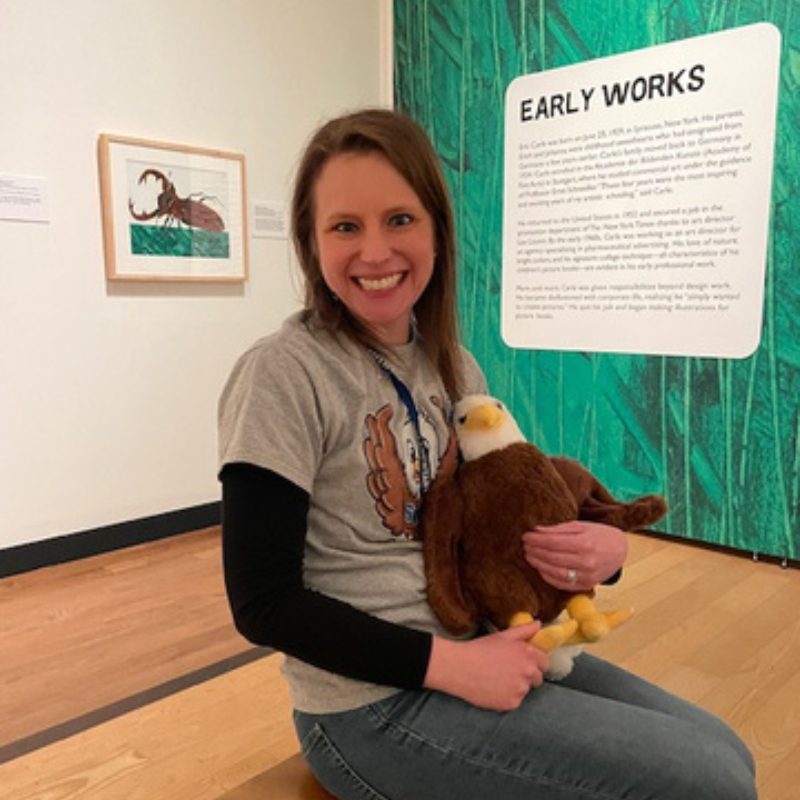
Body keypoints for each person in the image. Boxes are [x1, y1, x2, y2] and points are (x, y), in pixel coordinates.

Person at [218, 108, 756, 800]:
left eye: (400, 220)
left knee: (727, 752)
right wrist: (448, 665)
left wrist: (603, 548)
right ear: (309, 243)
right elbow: (263, 604)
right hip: (369, 708)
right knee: (709, 784)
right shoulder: (282, 373)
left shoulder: (456, 370)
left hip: (493, 642)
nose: (375, 252)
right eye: (345, 226)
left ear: (438, 229)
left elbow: (512, 511)